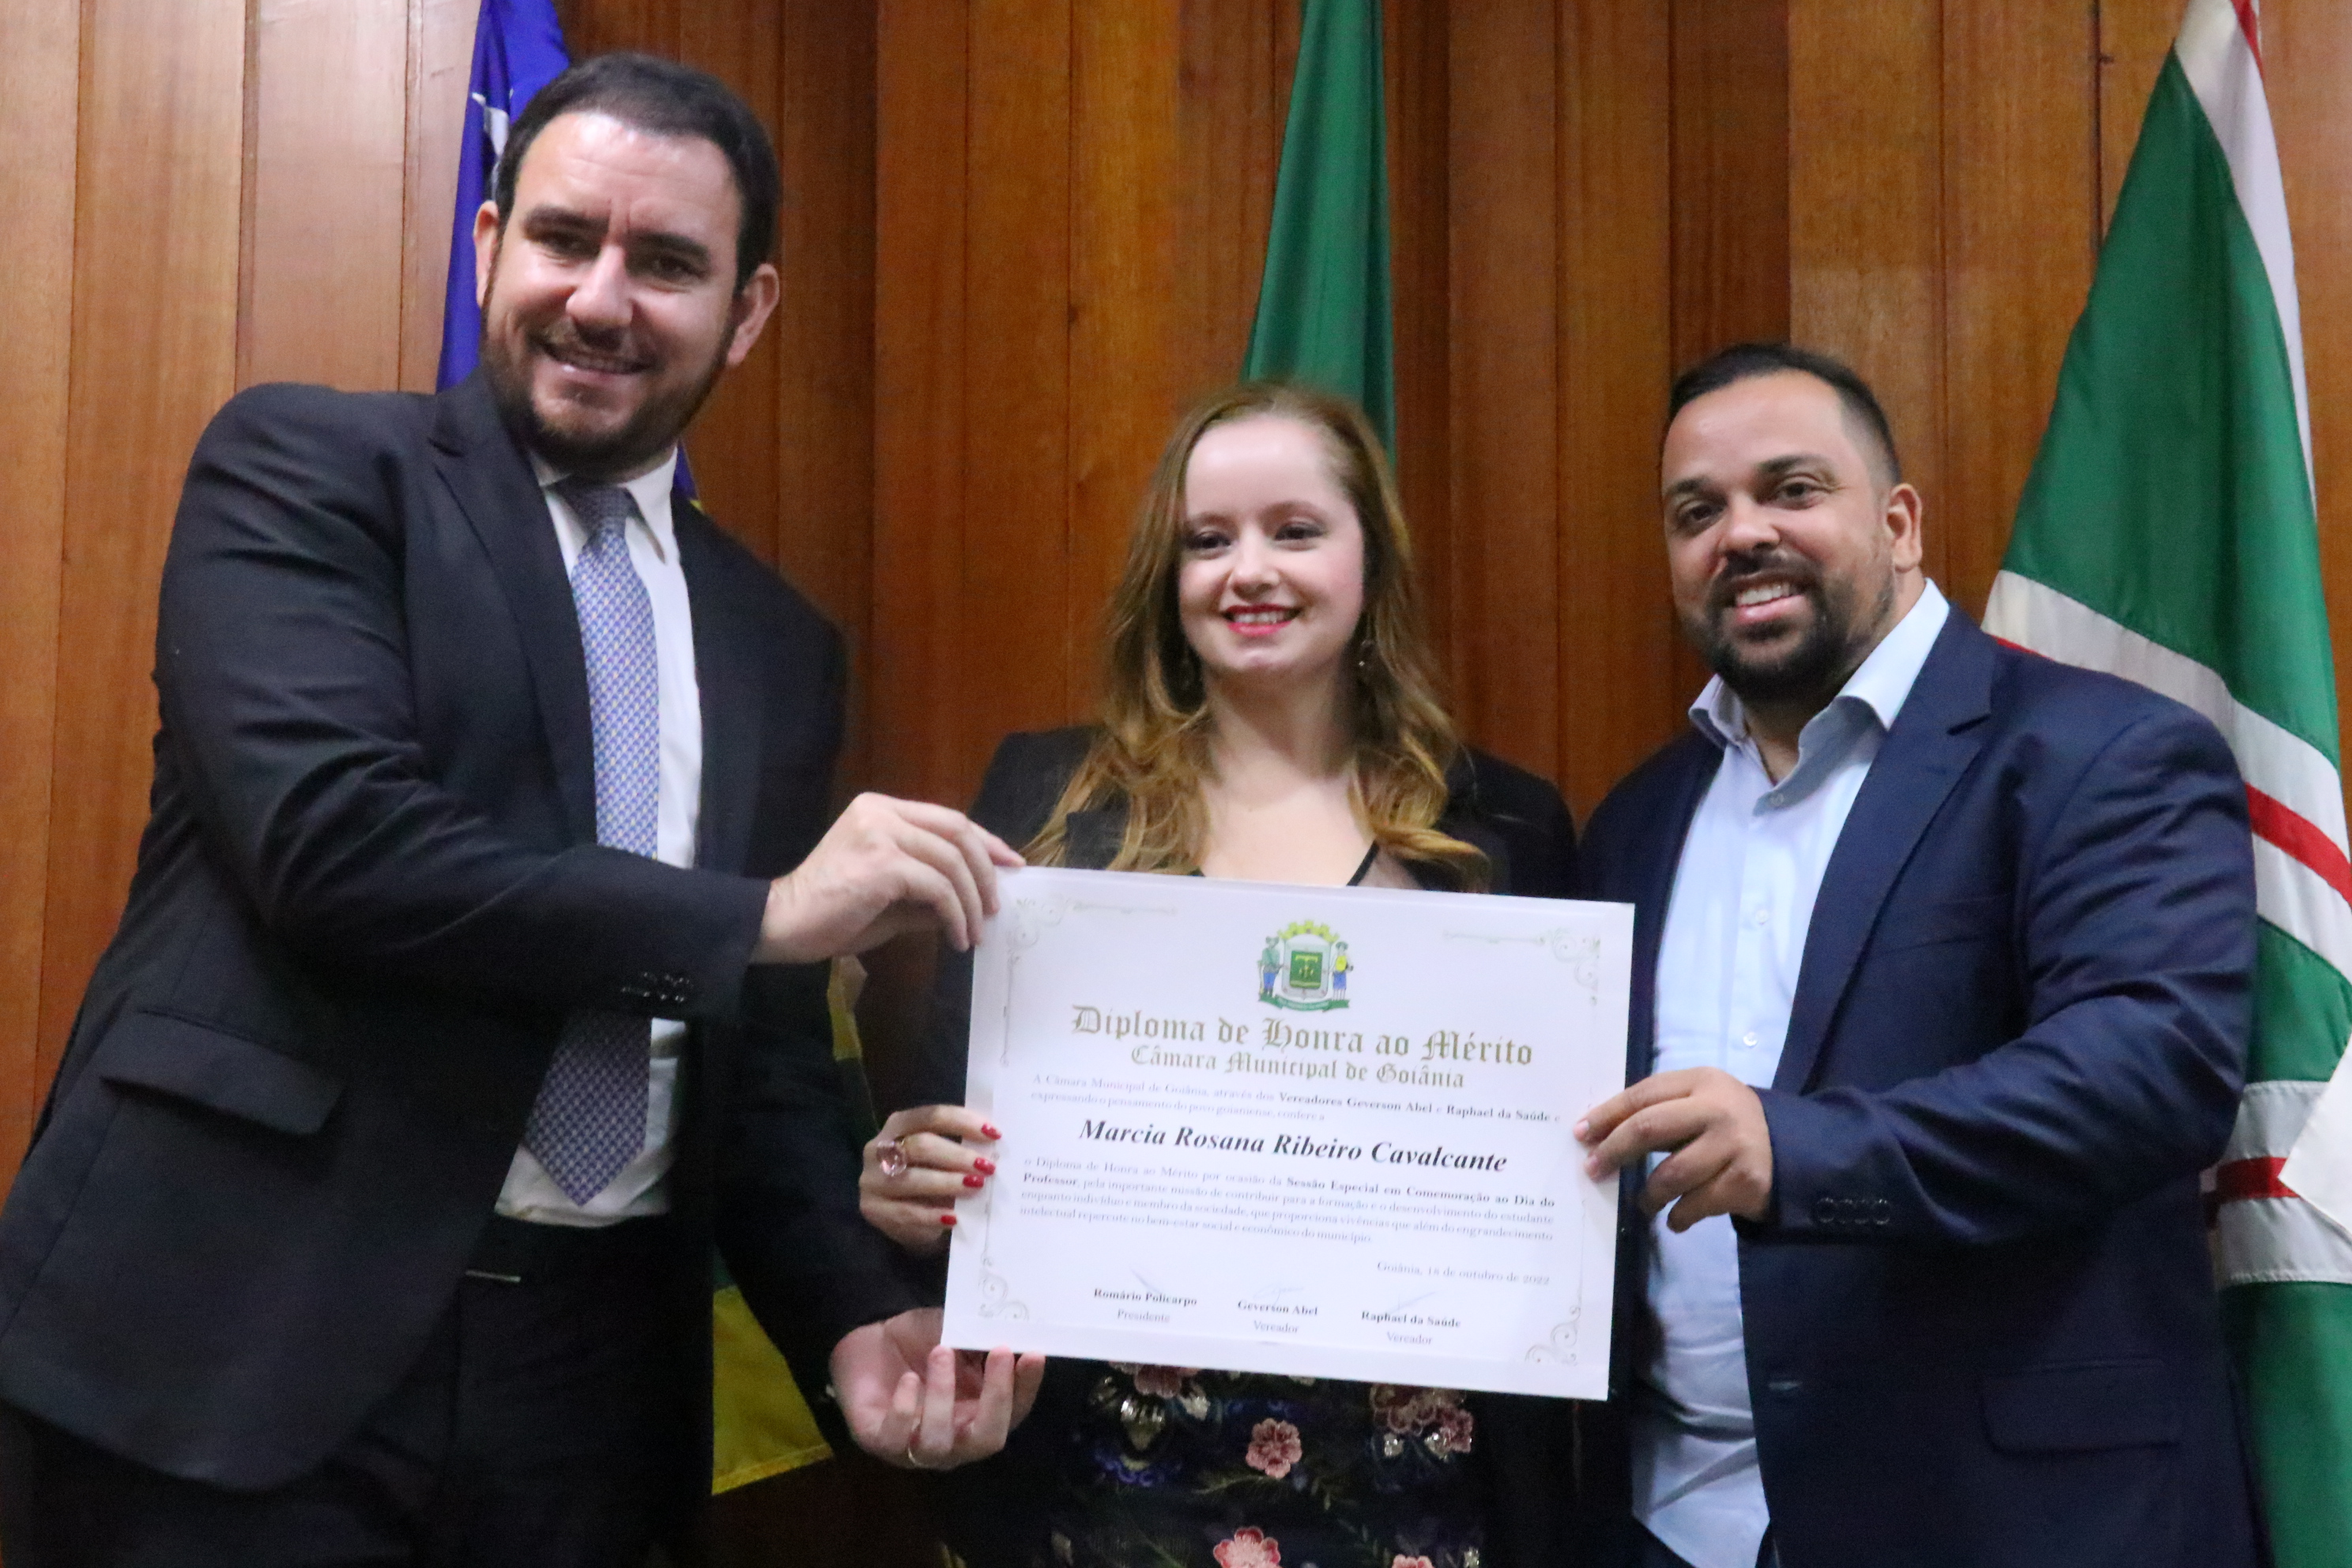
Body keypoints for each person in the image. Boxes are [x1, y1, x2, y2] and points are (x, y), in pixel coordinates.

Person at [0, 52, 1040, 1568]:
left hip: (592, 1393)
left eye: (667, 262)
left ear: (749, 310)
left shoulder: (777, 645)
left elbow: (752, 1061)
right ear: (490, 244)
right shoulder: (310, 471)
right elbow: (335, 849)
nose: (600, 299)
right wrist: (765, 913)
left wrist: (852, 1316)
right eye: (564, 239)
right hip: (230, 1342)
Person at [858, 383, 1581, 1568]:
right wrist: (906, 1180)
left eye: (1295, 530)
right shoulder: (1050, 803)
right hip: (1114, 1482)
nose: (1250, 571)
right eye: (1208, 540)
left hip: (1414, 1489)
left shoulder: (1505, 826)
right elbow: (956, 1145)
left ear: (1369, 558)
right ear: (1169, 575)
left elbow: (1554, 1173)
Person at [1573, 342, 2263, 1568]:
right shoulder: (1636, 820)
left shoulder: (2101, 757)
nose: (1742, 534)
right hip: (1672, 1523)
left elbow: (2151, 1071)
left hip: (2005, 1522)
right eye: (1697, 512)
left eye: (1791, 490)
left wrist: (1800, 1151)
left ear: (1899, 524)